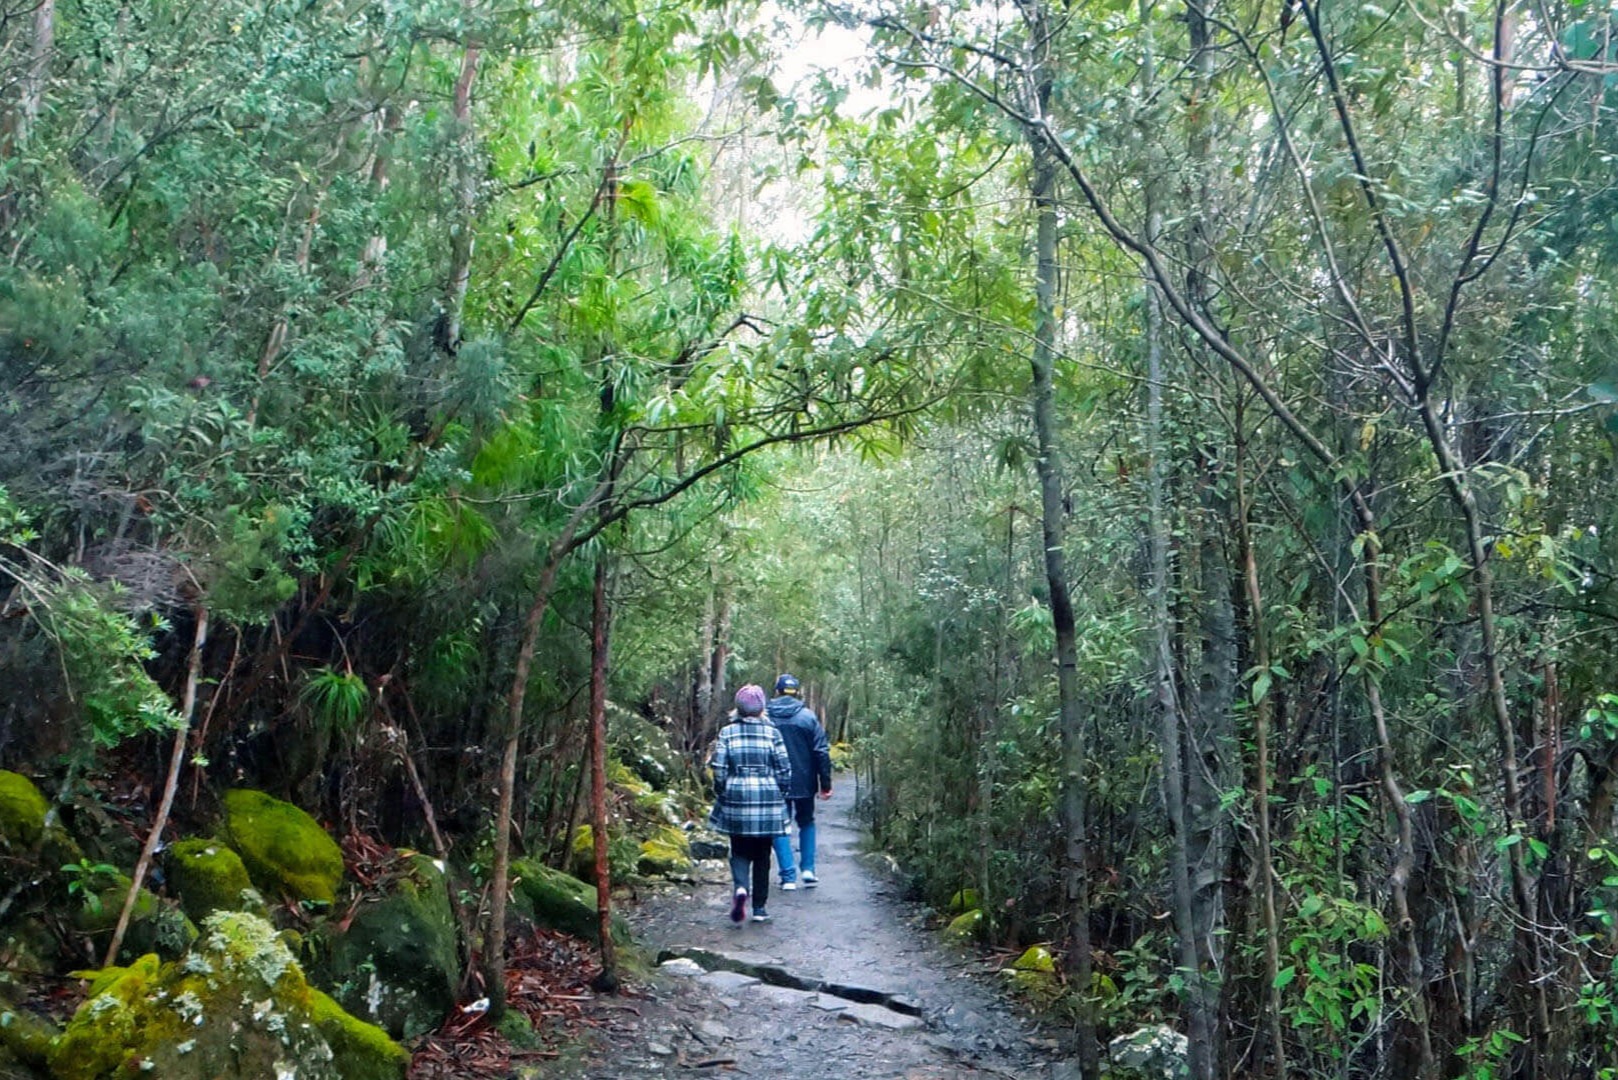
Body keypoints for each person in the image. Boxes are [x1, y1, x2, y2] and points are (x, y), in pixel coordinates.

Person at [707, 684, 792, 923]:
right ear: (762, 708)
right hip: (767, 796)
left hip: (737, 796)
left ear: (738, 708)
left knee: (739, 850)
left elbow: (719, 768)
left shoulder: (727, 732)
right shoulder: (772, 733)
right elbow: (784, 768)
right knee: (763, 854)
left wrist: (722, 790)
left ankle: (741, 888)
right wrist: (780, 792)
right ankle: (760, 908)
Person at [766, 673, 833, 890]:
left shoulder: (765, 716)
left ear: (776, 691)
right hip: (805, 781)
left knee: (779, 826)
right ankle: (808, 869)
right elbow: (821, 751)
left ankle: (787, 876)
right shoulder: (808, 717)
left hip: (774, 781)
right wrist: (825, 784)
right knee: (806, 822)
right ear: (797, 692)